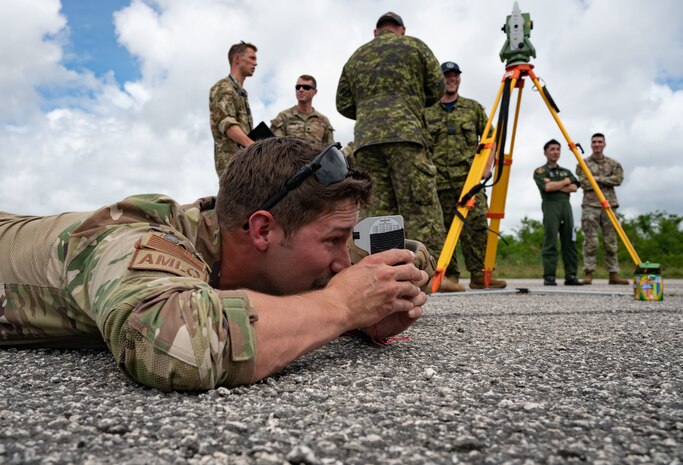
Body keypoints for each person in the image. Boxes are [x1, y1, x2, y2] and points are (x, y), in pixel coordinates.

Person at [0, 138, 432, 392]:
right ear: (262, 230)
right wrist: (341, 307)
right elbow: (176, 342)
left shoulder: (266, 241)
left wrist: (387, 289)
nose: (342, 261)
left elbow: (405, 253)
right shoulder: (136, 234)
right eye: (334, 240)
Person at [336, 12, 455, 292]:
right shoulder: (414, 45)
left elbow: (343, 103)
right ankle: (432, 278)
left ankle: (382, 277)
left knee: (378, 212)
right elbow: (436, 88)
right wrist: (410, 100)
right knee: (420, 206)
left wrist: (369, 111)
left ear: (376, 32)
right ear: (401, 30)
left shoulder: (357, 56)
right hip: (407, 135)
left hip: (366, 140)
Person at [425, 61, 506, 290]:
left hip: (469, 181)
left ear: (459, 79)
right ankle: (449, 277)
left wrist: (486, 168)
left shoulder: (472, 108)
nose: (451, 79)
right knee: (441, 230)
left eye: (454, 75)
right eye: (446, 76)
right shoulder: (426, 112)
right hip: (437, 181)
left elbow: (490, 140)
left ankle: (480, 276)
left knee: (477, 226)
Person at [575, 133, 629, 285]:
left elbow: (618, 180)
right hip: (590, 206)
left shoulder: (614, 164)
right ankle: (588, 273)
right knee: (591, 241)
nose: (597, 144)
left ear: (604, 144)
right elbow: (584, 183)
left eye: (600, 142)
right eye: (594, 142)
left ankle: (613, 274)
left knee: (610, 241)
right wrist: (604, 181)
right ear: (591, 145)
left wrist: (598, 179)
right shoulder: (582, 164)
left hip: (609, 205)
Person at [533, 139, 583, 286]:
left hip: (566, 206)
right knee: (551, 241)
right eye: (552, 149)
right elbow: (547, 188)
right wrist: (564, 182)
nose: (555, 152)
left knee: (570, 241)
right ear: (545, 152)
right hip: (550, 206)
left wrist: (556, 184)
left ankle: (571, 276)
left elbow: (574, 188)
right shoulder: (540, 171)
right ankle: (549, 276)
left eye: (558, 149)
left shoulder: (566, 171)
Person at [209, 41, 257, 177]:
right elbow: (226, 122)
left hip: (245, 162)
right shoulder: (224, 87)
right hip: (232, 166)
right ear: (237, 59)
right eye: (252, 58)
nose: (255, 63)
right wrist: (253, 146)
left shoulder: (240, 92)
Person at [270, 75, 335, 145]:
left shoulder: (323, 121)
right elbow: (275, 146)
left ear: (315, 92)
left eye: (306, 87)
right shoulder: (283, 116)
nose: (301, 90)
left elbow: (329, 150)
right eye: (298, 87)